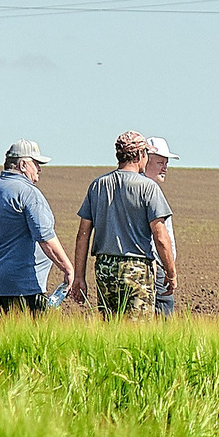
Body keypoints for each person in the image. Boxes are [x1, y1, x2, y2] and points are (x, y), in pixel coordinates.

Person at [68, 132, 177, 319]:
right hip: (136, 269)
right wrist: (171, 272)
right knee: (137, 333)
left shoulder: (98, 186)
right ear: (139, 156)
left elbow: (83, 235)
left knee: (110, 326)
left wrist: (79, 276)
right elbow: (160, 236)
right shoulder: (148, 188)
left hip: (104, 268)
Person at [0, 140, 72, 313]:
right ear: (23, 165)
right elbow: (45, 238)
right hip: (22, 286)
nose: (39, 169)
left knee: (0, 337)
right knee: (30, 339)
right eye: (36, 164)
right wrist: (68, 269)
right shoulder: (28, 193)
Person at [142, 136, 181, 315]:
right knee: (163, 318)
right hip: (155, 269)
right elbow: (160, 237)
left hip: (152, 268)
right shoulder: (148, 191)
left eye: (166, 163)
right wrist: (169, 269)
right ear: (145, 160)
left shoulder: (144, 189)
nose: (164, 167)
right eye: (159, 162)